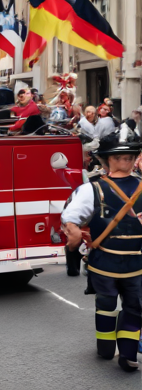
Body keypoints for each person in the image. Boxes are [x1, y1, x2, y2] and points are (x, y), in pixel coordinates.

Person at [61, 135, 142, 372]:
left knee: (106, 305)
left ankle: (107, 349)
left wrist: (74, 240)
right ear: (133, 159)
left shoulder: (90, 189)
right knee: (134, 307)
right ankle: (127, 355)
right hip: (136, 264)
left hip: (104, 264)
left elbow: (70, 219)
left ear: (106, 161)